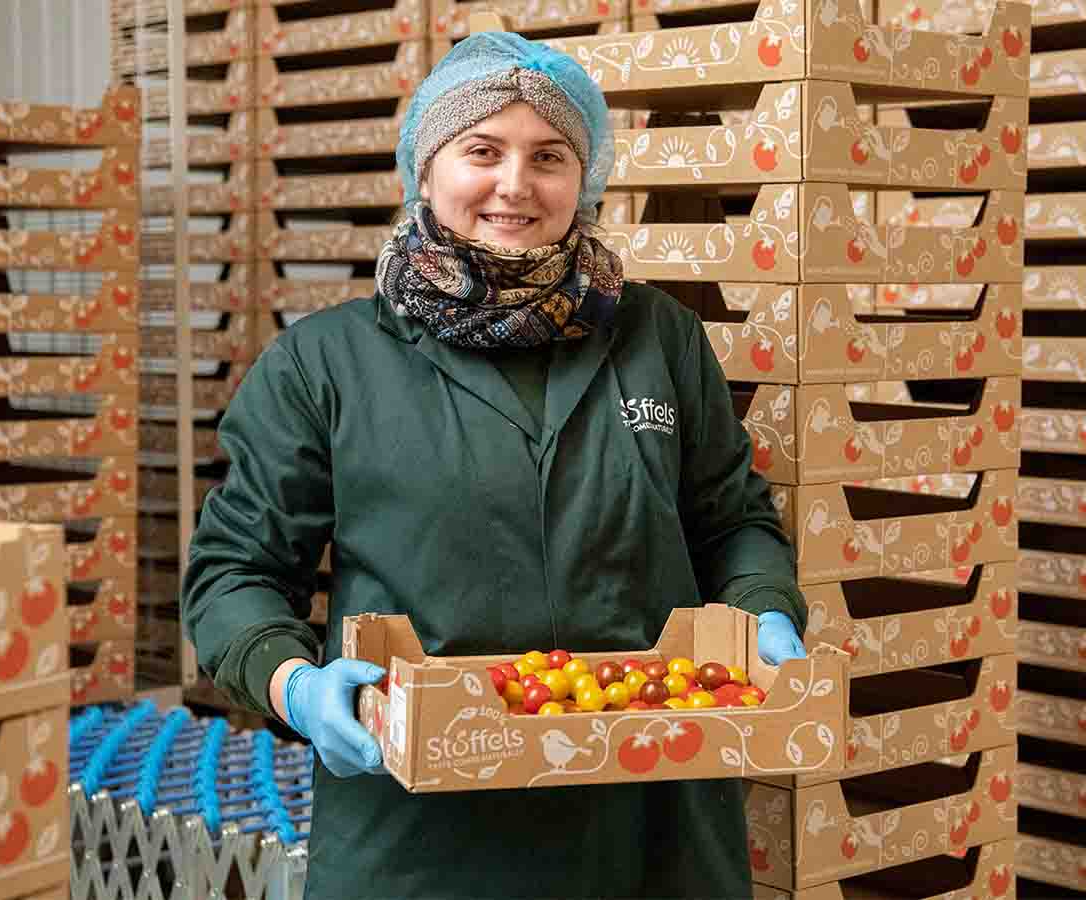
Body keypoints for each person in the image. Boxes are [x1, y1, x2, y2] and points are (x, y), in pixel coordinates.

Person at [183, 31, 809, 899]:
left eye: (549, 156)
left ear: (584, 178)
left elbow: (732, 520)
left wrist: (765, 611)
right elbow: (236, 570)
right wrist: (295, 686)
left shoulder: (659, 340)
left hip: (650, 819)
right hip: (422, 833)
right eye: (482, 150)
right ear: (426, 168)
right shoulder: (324, 364)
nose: (515, 184)